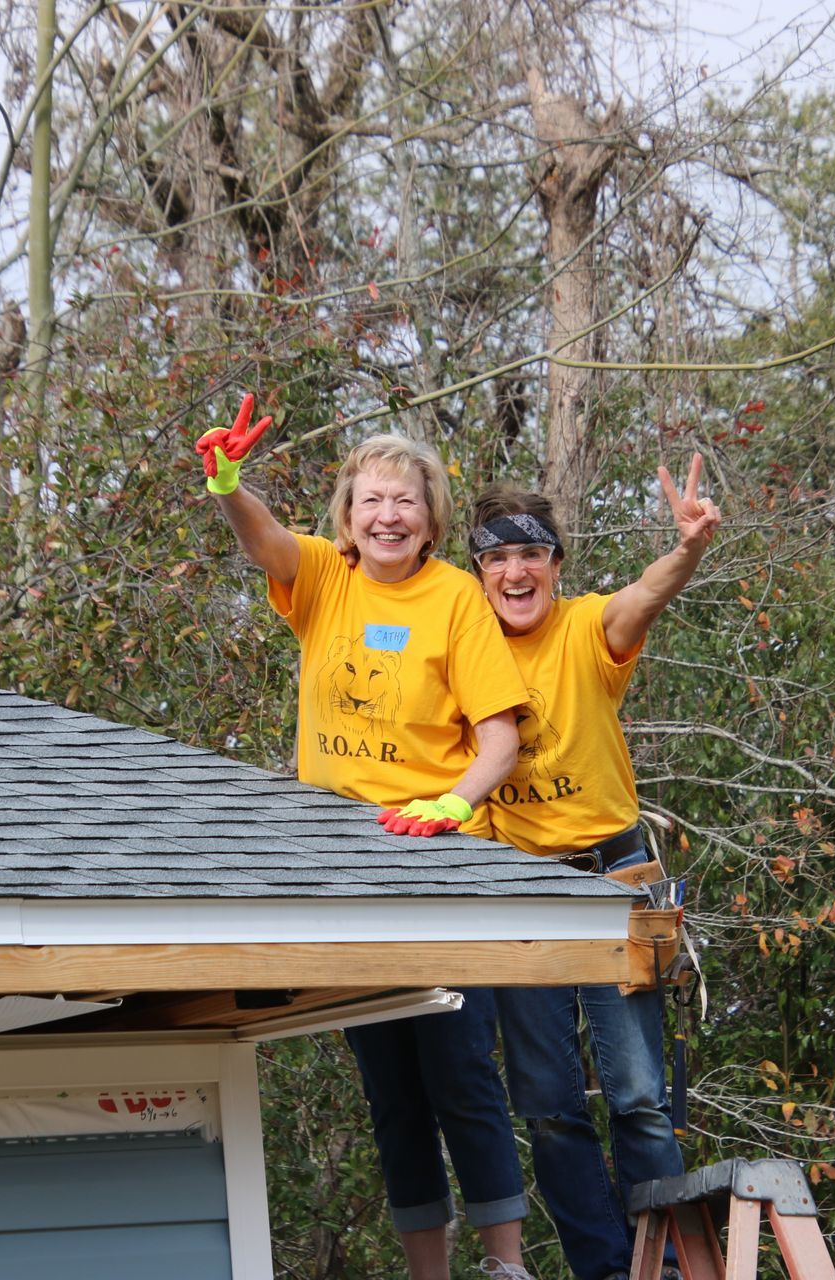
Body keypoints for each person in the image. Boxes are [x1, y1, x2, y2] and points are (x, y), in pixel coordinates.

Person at [197, 400, 536, 1280]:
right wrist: (229, 484)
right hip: (342, 864)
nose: (389, 515)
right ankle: (430, 1272)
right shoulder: (323, 577)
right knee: (391, 1090)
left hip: (441, 863)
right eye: (373, 500)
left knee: (463, 1073)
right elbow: (264, 542)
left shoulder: (457, 597)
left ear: (432, 519)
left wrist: (455, 805)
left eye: (408, 501)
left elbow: (499, 735)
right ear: (347, 516)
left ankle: (505, 1265)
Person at [467, 455, 721, 1280]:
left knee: (639, 1096)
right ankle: (606, 1270)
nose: (516, 571)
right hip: (517, 889)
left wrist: (685, 549)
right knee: (546, 1106)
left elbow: (646, 594)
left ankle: (669, 1267)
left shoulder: (585, 628)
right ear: (479, 573)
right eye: (498, 557)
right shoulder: (461, 650)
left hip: (611, 878)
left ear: (555, 564)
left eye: (531, 554)